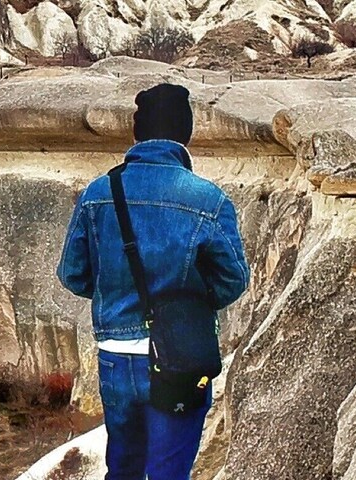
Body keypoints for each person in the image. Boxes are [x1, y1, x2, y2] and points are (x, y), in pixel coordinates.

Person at [55, 84, 250, 480]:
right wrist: (184, 307)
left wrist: (114, 291)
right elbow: (233, 280)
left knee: (122, 470)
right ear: (185, 133)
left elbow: (72, 274)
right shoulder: (208, 200)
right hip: (179, 357)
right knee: (168, 474)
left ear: (137, 132)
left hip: (116, 356)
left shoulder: (99, 193)